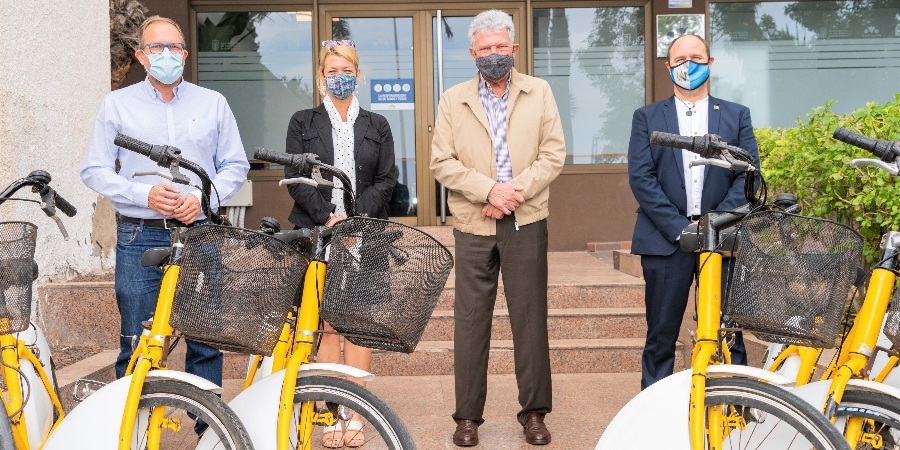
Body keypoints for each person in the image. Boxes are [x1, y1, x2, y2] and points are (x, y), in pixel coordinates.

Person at [80, 15, 249, 411]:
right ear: (141, 55)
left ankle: (209, 428)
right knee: (137, 340)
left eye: (174, 47)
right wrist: (143, 194)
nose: (167, 54)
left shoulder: (213, 103)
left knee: (206, 339)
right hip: (141, 234)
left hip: (200, 233)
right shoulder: (116, 104)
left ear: (185, 55)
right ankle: (134, 428)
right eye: (157, 47)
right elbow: (94, 169)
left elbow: (235, 165)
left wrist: (206, 198)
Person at [430, 9, 566, 447]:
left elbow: (553, 153)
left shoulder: (539, 91)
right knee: (470, 322)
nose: (493, 55)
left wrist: (512, 193)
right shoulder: (453, 99)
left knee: (530, 320)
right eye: (484, 49)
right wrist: (488, 191)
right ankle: (467, 417)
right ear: (472, 53)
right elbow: (442, 162)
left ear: (514, 49)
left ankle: (535, 414)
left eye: (500, 47)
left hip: (526, 220)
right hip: (473, 224)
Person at [627, 34, 759, 390]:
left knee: (728, 333)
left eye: (697, 57)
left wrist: (714, 222)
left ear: (710, 63)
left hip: (724, 238)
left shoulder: (736, 115)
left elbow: (750, 175)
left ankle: (733, 409)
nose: (689, 65)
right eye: (681, 59)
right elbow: (641, 178)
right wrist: (679, 228)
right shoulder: (647, 117)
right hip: (665, 241)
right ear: (668, 66)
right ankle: (652, 412)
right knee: (660, 335)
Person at [283, 39, 396, 448]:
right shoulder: (302, 122)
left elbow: (386, 179)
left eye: (347, 70)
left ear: (358, 75)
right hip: (318, 234)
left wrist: (353, 219)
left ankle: (356, 417)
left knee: (358, 328)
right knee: (327, 328)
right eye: (333, 71)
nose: (340, 78)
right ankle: (332, 417)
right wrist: (330, 219)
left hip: (364, 235)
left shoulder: (377, 124)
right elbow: (296, 178)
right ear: (321, 77)